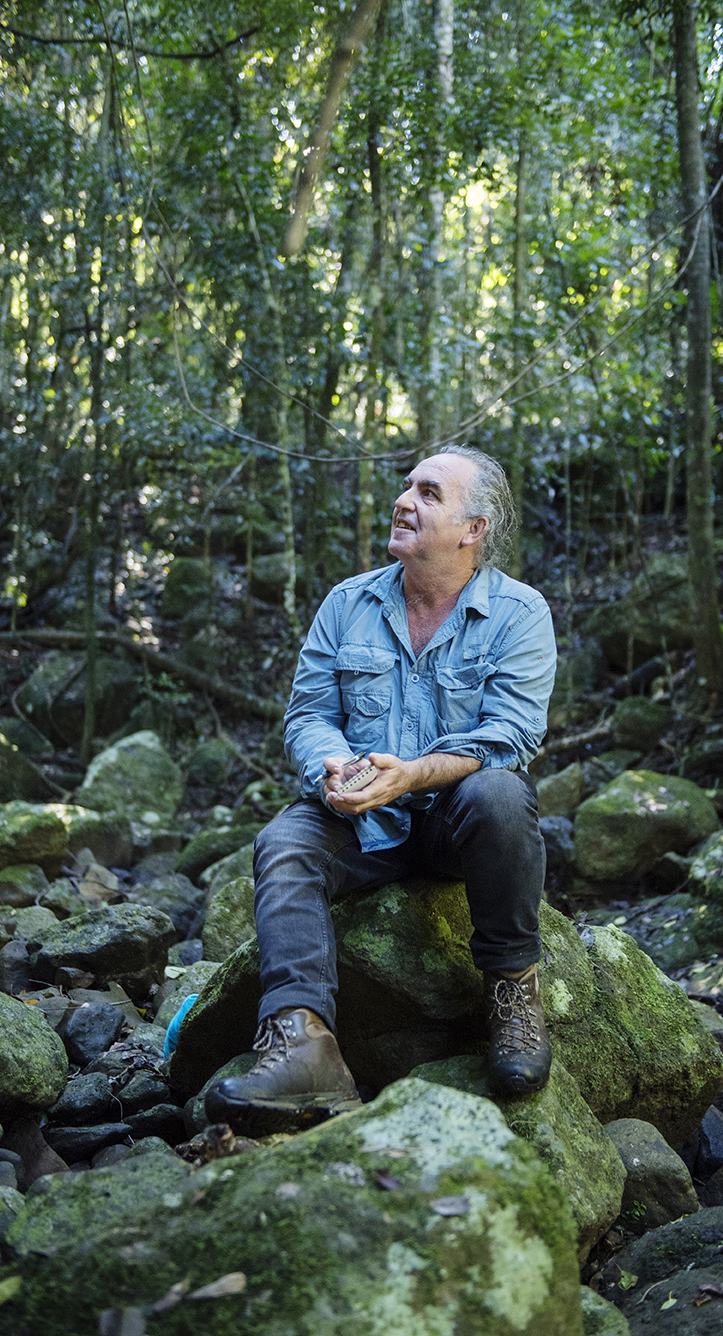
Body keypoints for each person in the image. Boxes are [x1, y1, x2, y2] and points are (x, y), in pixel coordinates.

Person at [205, 444, 557, 1128]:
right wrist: (333, 766)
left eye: (428, 493)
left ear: (473, 529)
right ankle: (301, 1045)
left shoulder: (519, 613)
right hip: (361, 817)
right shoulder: (347, 603)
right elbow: (309, 714)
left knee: (501, 795)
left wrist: (412, 774)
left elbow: (509, 737)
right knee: (285, 840)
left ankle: (513, 996)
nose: (404, 500)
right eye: (406, 487)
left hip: (454, 821)